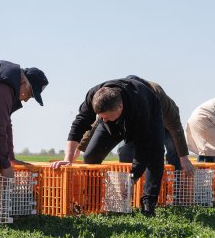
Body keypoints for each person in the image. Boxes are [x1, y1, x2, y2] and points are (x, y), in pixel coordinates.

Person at [54, 76, 165, 216]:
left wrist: (133, 177)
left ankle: (148, 202)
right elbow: (78, 125)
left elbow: (143, 146)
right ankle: (92, 201)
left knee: (154, 153)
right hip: (117, 118)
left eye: (107, 117)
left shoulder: (140, 106)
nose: (103, 120)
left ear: (120, 106)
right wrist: (68, 159)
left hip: (149, 115)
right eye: (101, 117)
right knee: (91, 155)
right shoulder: (94, 95)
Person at [85, 79, 194, 174]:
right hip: (141, 124)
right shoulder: (125, 99)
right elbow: (100, 119)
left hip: (165, 124)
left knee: (174, 153)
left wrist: (184, 157)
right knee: (125, 151)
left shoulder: (158, 94)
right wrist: (82, 146)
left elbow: (175, 126)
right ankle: (129, 189)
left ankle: (177, 191)